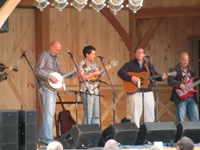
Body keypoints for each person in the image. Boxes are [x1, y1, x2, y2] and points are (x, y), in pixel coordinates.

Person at [36, 40, 75, 145]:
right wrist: (50, 77)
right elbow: (38, 70)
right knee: (49, 113)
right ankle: (48, 139)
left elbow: (61, 71)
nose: (58, 51)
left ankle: (41, 137)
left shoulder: (56, 58)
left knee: (50, 113)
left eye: (59, 50)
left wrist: (72, 74)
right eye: (56, 49)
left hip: (53, 88)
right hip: (45, 87)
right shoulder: (44, 55)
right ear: (51, 47)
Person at [118, 47, 167, 127]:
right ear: (135, 54)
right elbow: (120, 72)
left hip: (148, 92)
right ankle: (136, 135)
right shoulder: (130, 64)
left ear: (144, 54)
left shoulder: (148, 65)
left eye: (141, 52)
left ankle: (148, 136)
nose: (139, 54)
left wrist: (161, 77)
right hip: (135, 93)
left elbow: (154, 75)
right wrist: (132, 78)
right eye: (137, 52)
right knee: (135, 116)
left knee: (150, 116)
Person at [77, 45, 110, 124]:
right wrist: (94, 73)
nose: (94, 56)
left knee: (96, 115)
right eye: (93, 54)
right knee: (88, 115)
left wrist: (105, 71)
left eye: (95, 54)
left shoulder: (95, 65)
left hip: (95, 91)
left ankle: (95, 133)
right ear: (87, 54)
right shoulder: (82, 64)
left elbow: (98, 77)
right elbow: (81, 78)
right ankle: (86, 133)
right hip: (87, 91)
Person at [168, 52, 199, 124]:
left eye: (187, 60)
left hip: (192, 97)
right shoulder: (174, 70)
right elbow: (170, 80)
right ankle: (181, 135)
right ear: (179, 59)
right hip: (181, 97)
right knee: (182, 121)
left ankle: (195, 135)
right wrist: (179, 84)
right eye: (184, 60)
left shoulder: (192, 70)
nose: (186, 62)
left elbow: (196, 82)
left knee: (196, 120)